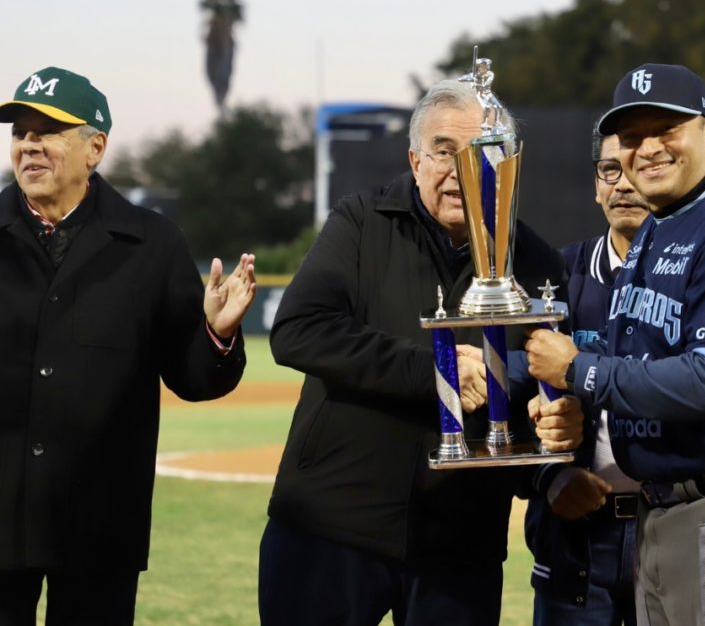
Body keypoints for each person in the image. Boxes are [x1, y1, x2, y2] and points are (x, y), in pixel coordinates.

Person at [258, 79, 584, 626]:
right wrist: (435, 370)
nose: (461, 170)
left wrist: (547, 442)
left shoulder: (535, 263)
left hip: (460, 544)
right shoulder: (361, 221)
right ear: (415, 160)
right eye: (443, 152)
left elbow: (534, 388)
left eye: (482, 154)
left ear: (506, 165)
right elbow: (298, 329)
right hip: (331, 526)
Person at [525, 64, 705, 626]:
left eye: (668, 130)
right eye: (633, 137)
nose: (649, 149)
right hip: (670, 509)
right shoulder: (664, 225)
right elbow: (634, 361)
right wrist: (562, 404)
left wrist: (581, 373)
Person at [0, 66, 256, 625]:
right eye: (20, 132)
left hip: (98, 525)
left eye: (48, 132)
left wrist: (216, 332)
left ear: (95, 148)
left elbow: (192, 377)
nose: (29, 146)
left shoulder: (152, 243)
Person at [524, 128, 650, 625]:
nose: (623, 184)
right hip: (576, 541)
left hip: (668, 528)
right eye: (609, 170)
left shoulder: (699, 276)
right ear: (596, 186)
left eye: (637, 169)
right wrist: (550, 474)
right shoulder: (554, 276)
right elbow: (514, 394)